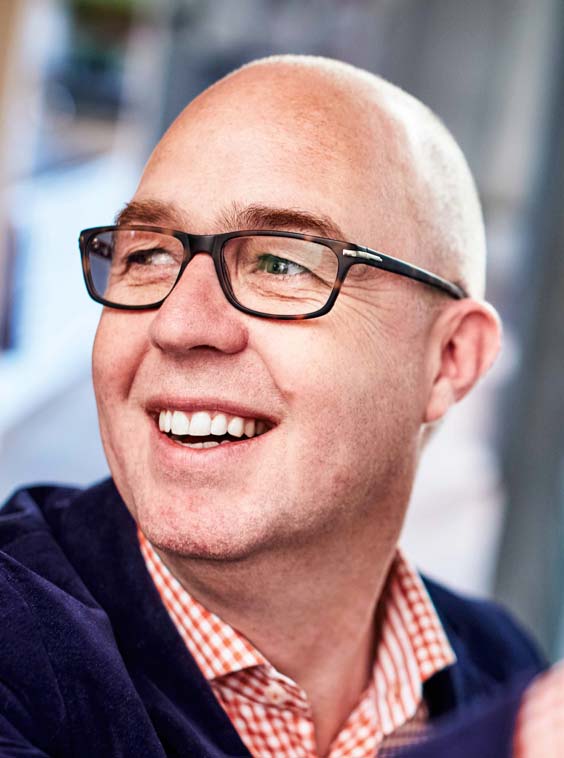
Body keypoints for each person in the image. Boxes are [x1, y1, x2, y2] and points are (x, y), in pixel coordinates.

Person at [0, 55, 545, 758]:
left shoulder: (504, 666)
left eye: (281, 263)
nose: (179, 323)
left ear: (448, 359)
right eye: (147, 256)